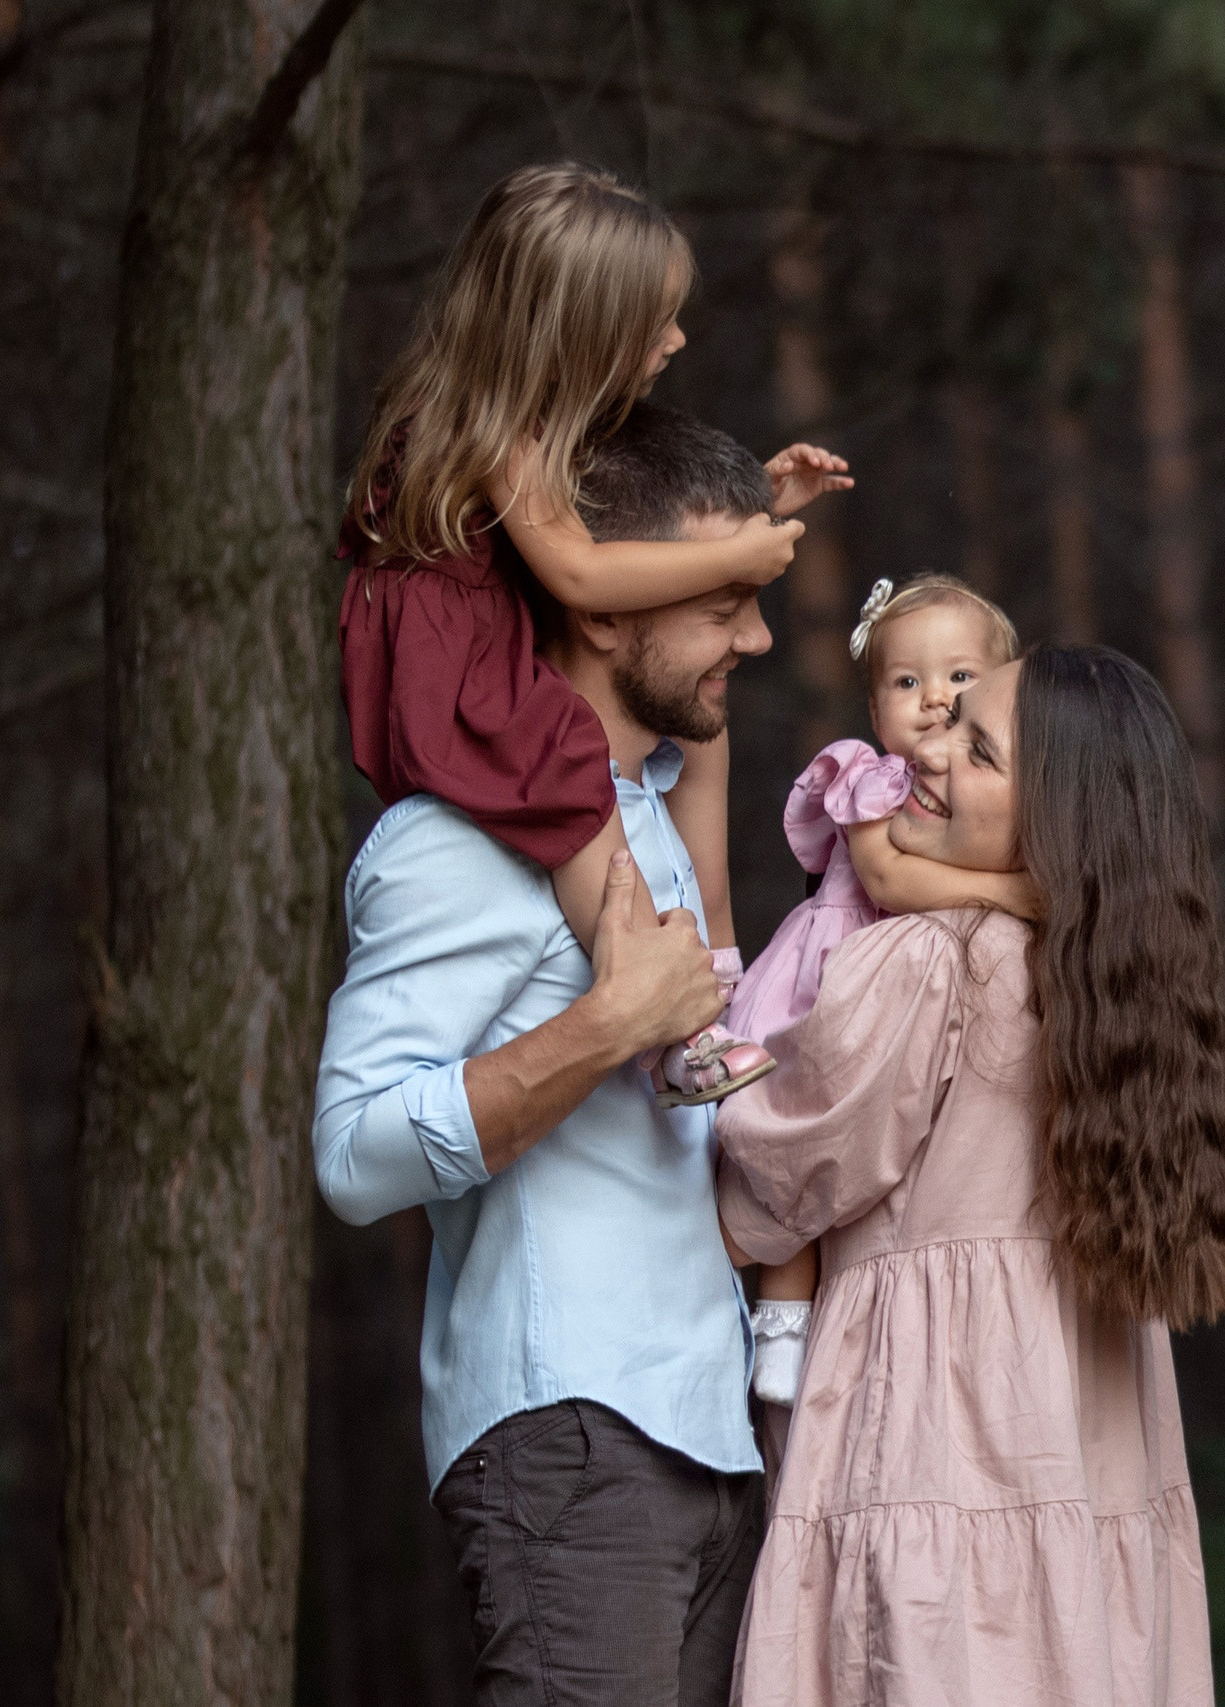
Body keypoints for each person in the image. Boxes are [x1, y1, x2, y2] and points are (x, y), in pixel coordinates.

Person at [312, 407, 782, 1707]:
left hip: (707, 1435)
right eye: (718, 598)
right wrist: (602, 1027)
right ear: (609, 605)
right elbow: (351, 1154)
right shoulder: (455, 839)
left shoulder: (654, 819)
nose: (756, 634)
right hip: (570, 1439)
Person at [715, 643, 1225, 1707]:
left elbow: (767, 1184)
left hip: (937, 1454)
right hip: (1084, 1488)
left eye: (978, 745)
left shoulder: (932, 961)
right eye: (942, 716)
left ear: (1052, 819)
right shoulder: (1116, 995)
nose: (927, 746)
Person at [337, 159, 851, 1104]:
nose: (677, 337)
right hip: (462, 665)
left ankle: (714, 969)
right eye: (652, 324)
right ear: (574, 330)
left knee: (695, 725)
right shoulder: (494, 426)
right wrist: (737, 560)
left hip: (499, 630)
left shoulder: (530, 416)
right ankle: (663, 1018)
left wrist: (749, 515)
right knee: (568, 769)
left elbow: (621, 536)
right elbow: (580, 570)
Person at [724, 574, 1041, 1416]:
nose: (935, 698)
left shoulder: (1005, 797)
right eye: (907, 682)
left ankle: (794, 1318)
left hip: (896, 998)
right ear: (873, 711)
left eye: (961, 679)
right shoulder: (869, 776)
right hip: (831, 972)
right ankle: (782, 1321)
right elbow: (885, 875)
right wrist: (1012, 896)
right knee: (801, 1160)